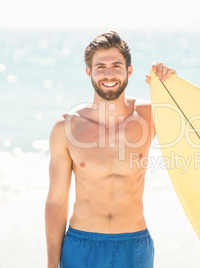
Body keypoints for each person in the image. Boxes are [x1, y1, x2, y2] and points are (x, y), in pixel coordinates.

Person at [45, 31, 176, 268]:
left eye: (117, 66)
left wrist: (172, 87)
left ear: (129, 70)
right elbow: (56, 202)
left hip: (133, 246)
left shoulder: (151, 115)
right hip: (81, 246)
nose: (109, 74)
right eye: (101, 66)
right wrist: (51, 265)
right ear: (89, 72)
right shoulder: (66, 127)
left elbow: (194, 133)